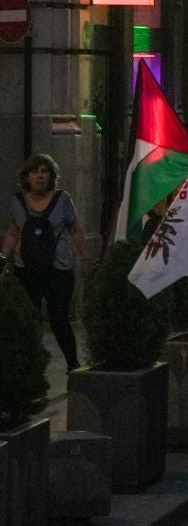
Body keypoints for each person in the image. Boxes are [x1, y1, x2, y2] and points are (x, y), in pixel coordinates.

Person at [4, 153, 81, 369]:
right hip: (26, 269)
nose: (40, 176)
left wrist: (85, 256)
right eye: (35, 171)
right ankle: (31, 368)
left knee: (59, 320)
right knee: (29, 320)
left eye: (44, 171)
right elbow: (13, 231)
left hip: (58, 270)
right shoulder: (17, 201)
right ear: (27, 177)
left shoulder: (63, 199)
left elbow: (75, 229)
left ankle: (73, 365)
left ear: (51, 176)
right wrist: (3, 257)